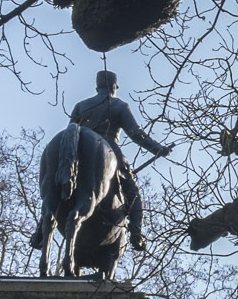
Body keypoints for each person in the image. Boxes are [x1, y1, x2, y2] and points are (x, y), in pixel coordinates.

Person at [70, 70, 171, 248]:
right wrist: (158, 148)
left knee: (61, 182)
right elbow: (136, 134)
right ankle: (136, 234)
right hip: (110, 150)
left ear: (97, 86)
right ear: (114, 87)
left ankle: (42, 226)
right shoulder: (119, 106)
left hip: (79, 154)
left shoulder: (81, 105)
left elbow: (70, 136)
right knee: (132, 191)